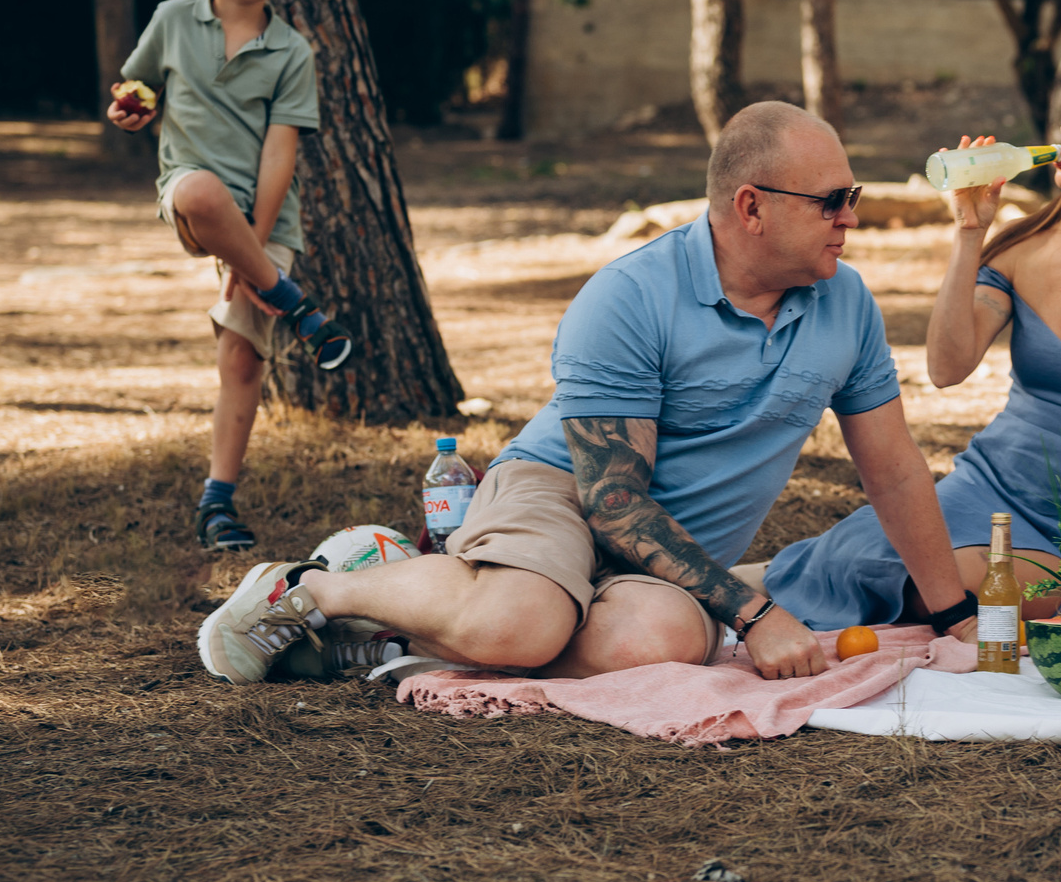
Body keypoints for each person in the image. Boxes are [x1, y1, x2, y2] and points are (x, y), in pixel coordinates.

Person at [193, 102, 979, 687]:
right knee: (525, 622)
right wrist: (757, 614)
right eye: (832, 201)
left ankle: (405, 631)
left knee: (653, 648)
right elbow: (614, 504)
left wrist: (955, 621)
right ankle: (320, 584)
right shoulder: (632, 296)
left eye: (855, 196)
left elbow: (896, 471)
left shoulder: (846, 305)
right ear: (752, 207)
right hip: (567, 489)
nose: (852, 218)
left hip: (668, 558)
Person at [756, 63, 1061, 627]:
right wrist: (969, 232)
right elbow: (946, 367)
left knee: (951, 581)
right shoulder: (1022, 247)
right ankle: (718, 597)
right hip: (981, 484)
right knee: (859, 553)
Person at [107, 0, 355, 555]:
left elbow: (281, 154)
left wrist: (251, 260)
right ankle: (297, 307)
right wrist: (130, 111)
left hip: (267, 221)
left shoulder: (291, 52)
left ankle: (217, 502)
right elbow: (137, 96)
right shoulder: (172, 22)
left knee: (241, 359)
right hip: (192, 193)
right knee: (203, 193)